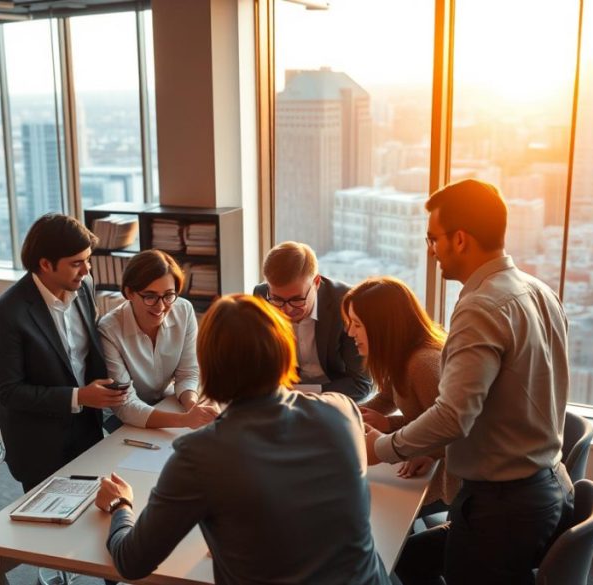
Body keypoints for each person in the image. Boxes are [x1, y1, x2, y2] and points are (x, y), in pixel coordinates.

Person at [94, 295, 390, 585]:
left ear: (210, 367)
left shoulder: (200, 453)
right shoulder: (341, 409)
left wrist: (121, 505)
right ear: (285, 350)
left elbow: (131, 563)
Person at [365, 179, 573, 585]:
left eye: (433, 238)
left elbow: (452, 417)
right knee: (416, 559)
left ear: (459, 239)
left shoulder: (480, 307)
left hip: (502, 508)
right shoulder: (539, 290)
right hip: (548, 486)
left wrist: (380, 448)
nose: (431, 250)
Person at [0, 213, 126, 493]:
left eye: (88, 260)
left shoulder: (84, 287)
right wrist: (78, 396)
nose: (87, 270)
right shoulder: (8, 312)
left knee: (93, 513)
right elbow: (9, 391)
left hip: (87, 429)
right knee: (47, 527)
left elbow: (87, 354)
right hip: (40, 442)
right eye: (77, 263)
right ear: (45, 264)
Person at [342, 276, 459, 508]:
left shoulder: (422, 364)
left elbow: (452, 435)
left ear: (381, 327)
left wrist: (390, 428)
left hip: (451, 484)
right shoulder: (402, 356)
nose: (350, 333)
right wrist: (343, 415)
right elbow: (387, 397)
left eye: (356, 324)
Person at [98, 249, 220, 429]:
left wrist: (194, 407)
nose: (161, 306)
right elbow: (124, 404)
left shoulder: (183, 310)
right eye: (150, 296)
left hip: (164, 401)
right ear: (130, 293)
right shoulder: (109, 329)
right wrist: (184, 420)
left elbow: (187, 373)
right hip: (122, 419)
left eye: (169, 295)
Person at [253, 241, 372, 400]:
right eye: (277, 299)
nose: (286, 310)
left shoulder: (346, 303)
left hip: (333, 399)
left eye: (297, 299)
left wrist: (300, 395)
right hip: (280, 399)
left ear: (316, 283)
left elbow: (361, 384)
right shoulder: (261, 296)